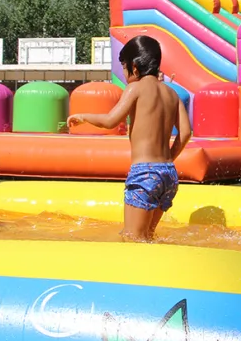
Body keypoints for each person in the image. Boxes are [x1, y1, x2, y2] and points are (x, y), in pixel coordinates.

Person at [68, 36, 191, 242]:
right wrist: (168, 158)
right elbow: (186, 133)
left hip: (144, 173)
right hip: (168, 175)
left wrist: (84, 117)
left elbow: (110, 121)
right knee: (148, 237)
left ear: (134, 67)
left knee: (132, 238)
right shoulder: (172, 94)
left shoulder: (135, 88)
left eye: (123, 68)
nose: (124, 74)